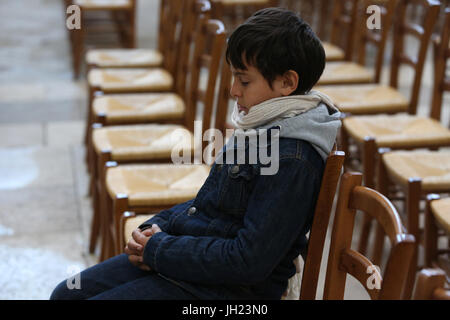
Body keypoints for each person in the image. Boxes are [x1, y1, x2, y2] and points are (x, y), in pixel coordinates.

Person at [50, 7, 341, 300]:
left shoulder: (292, 158)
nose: (233, 91)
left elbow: (247, 261)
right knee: (65, 294)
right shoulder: (266, 125)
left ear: (287, 83)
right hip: (197, 264)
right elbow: (210, 203)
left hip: (230, 292)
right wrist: (157, 227)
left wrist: (159, 250)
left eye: (244, 81)